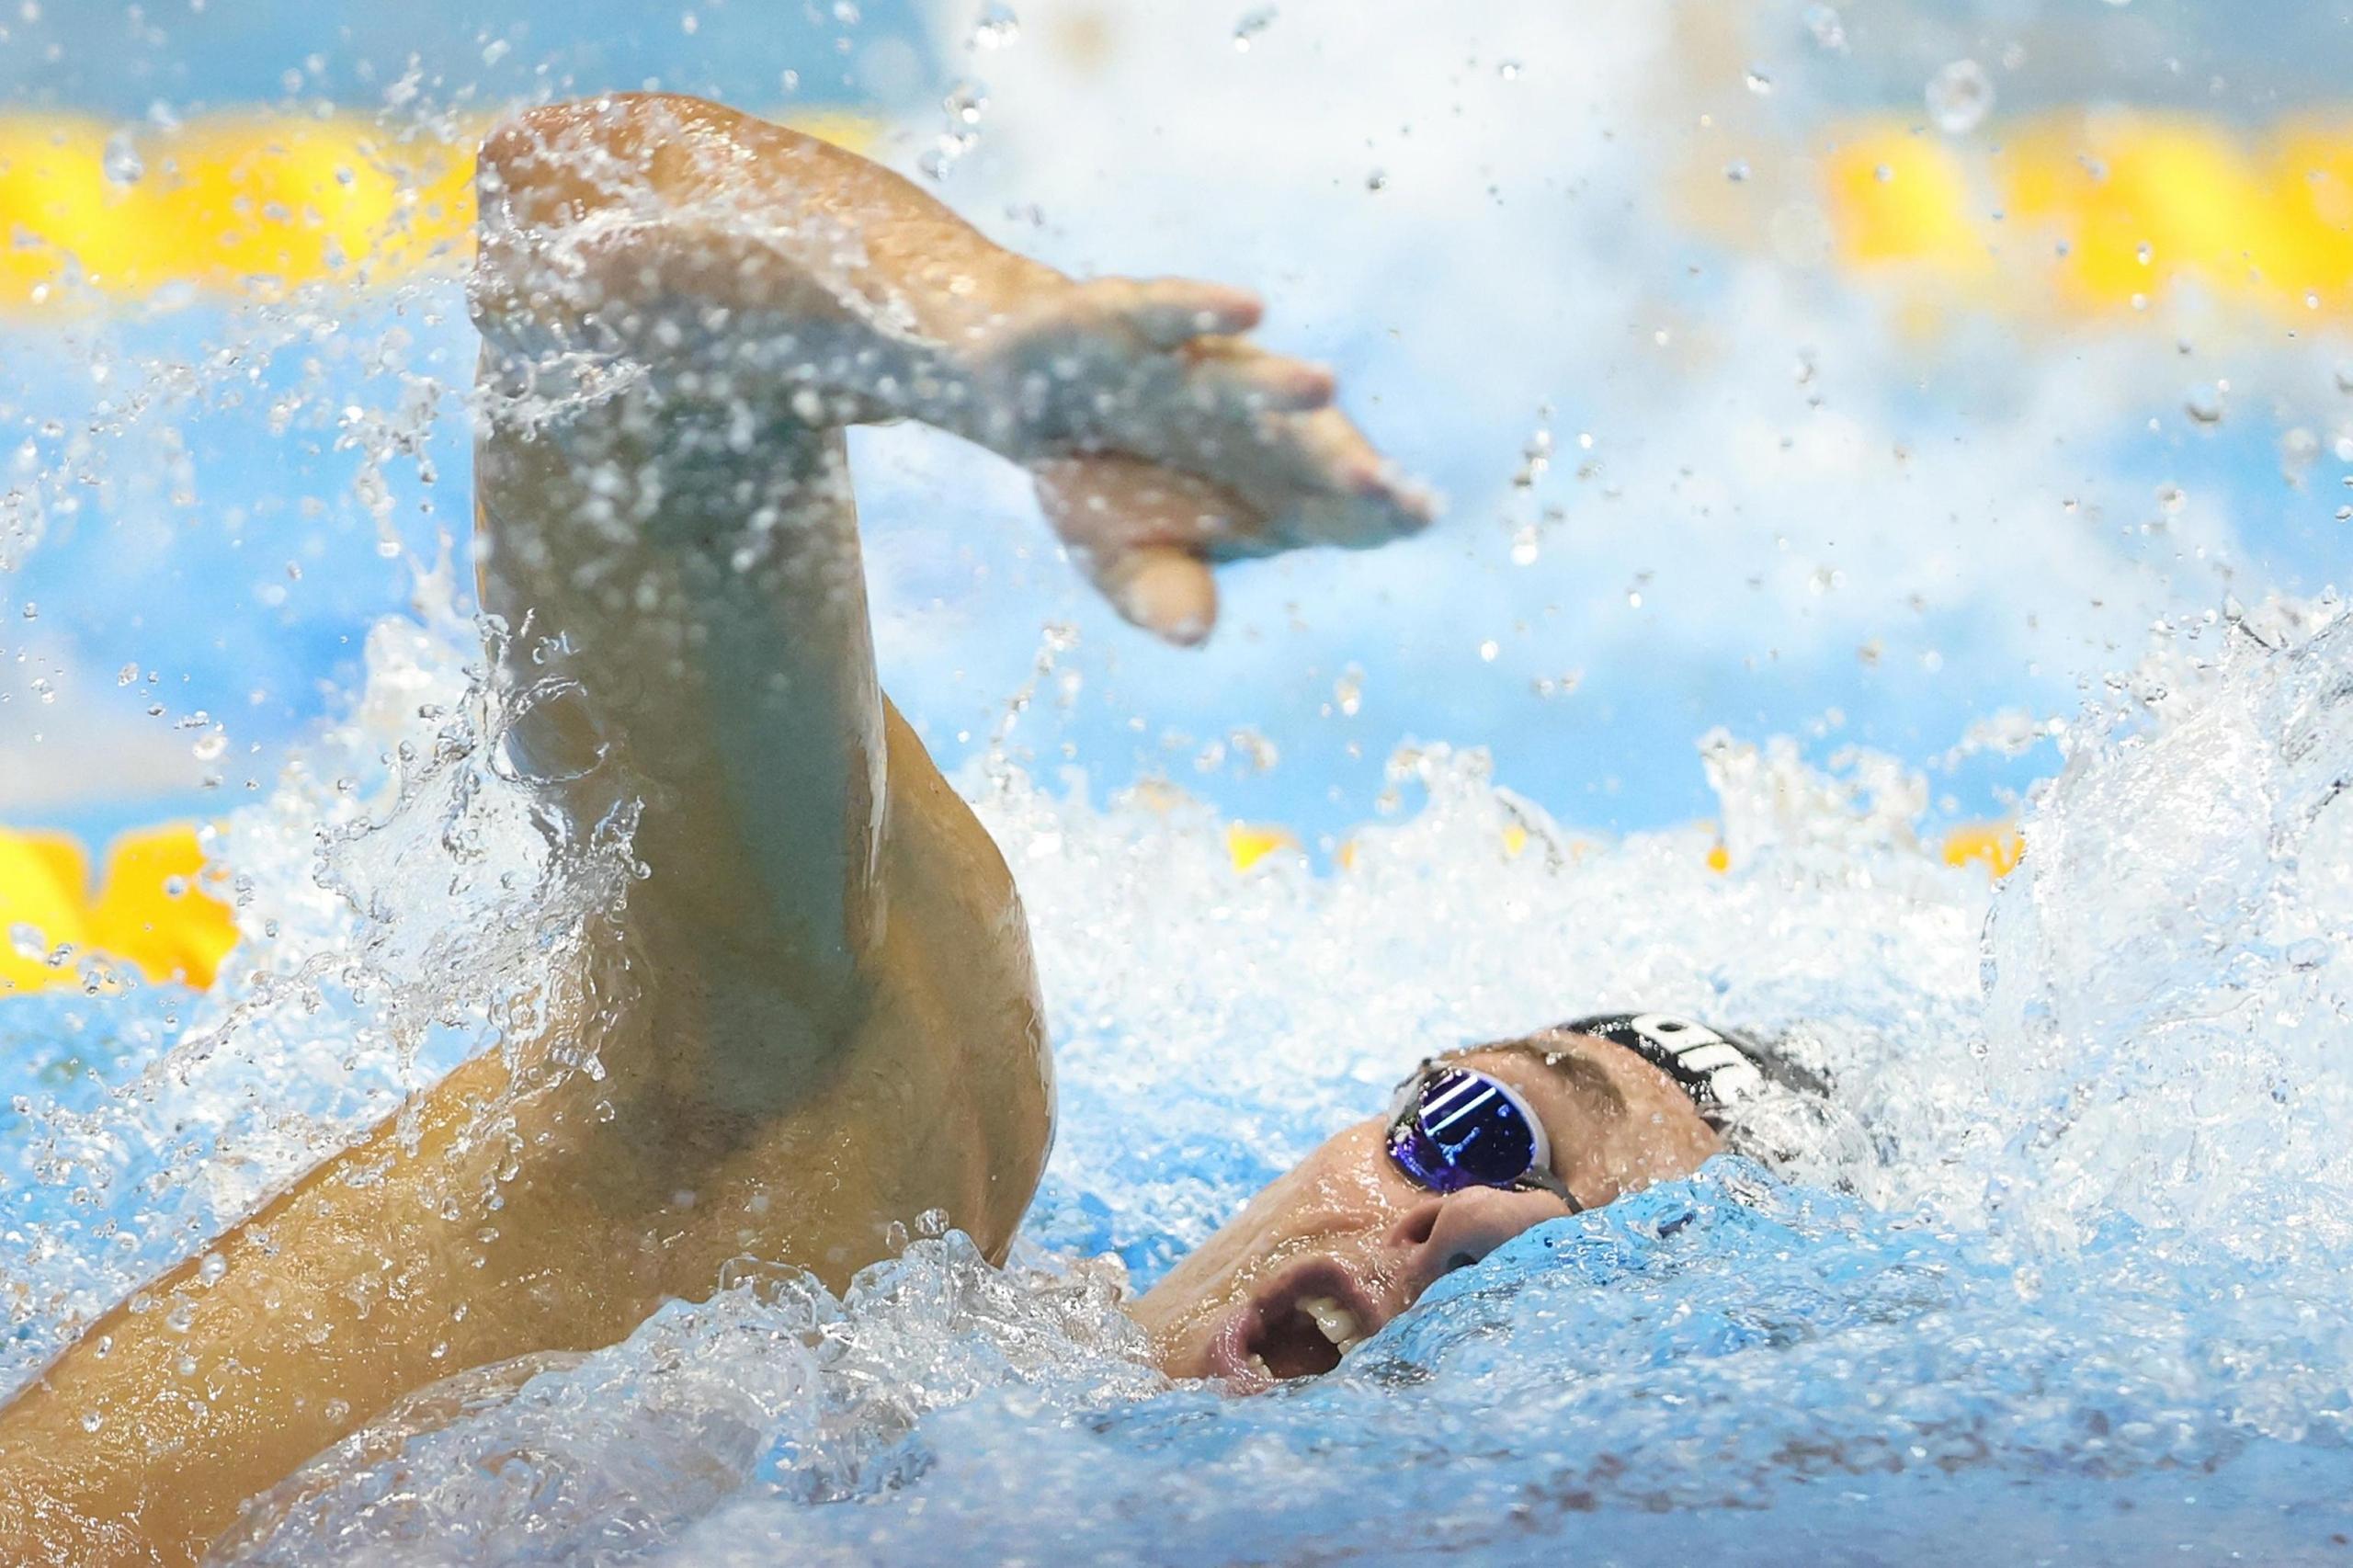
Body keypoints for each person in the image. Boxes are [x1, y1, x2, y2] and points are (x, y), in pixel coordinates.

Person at [0, 94, 1790, 1565]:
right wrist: (989, 342)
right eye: (1472, 1129)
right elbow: (585, 231)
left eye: (1572, 1277)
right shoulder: (842, 1137)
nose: (1442, 1246)